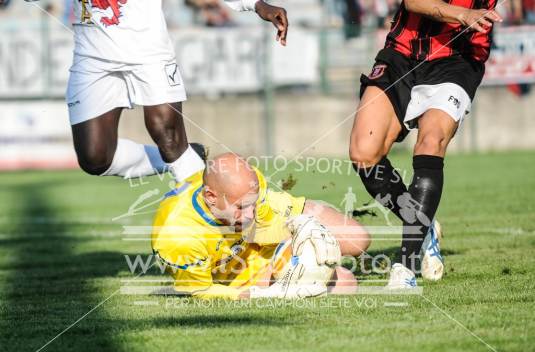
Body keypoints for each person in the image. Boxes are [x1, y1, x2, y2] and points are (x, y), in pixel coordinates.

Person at [349, 0, 502, 288]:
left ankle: (405, 268)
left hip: (458, 59)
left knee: (431, 141)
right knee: (364, 154)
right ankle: (424, 225)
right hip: (403, 53)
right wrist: (462, 14)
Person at [66, 0, 288, 182]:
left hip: (147, 51)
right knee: (94, 157)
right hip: (91, 57)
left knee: (166, 133)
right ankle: (187, 157)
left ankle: (203, 219)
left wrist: (256, 4)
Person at [151, 153, 370, 299]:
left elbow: (264, 221)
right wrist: (250, 295)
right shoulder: (178, 237)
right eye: (240, 208)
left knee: (358, 240)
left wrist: (300, 228)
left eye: (252, 205)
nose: (248, 216)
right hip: (238, 273)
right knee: (346, 283)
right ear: (210, 196)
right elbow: (200, 290)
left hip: (257, 241)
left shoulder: (248, 185)